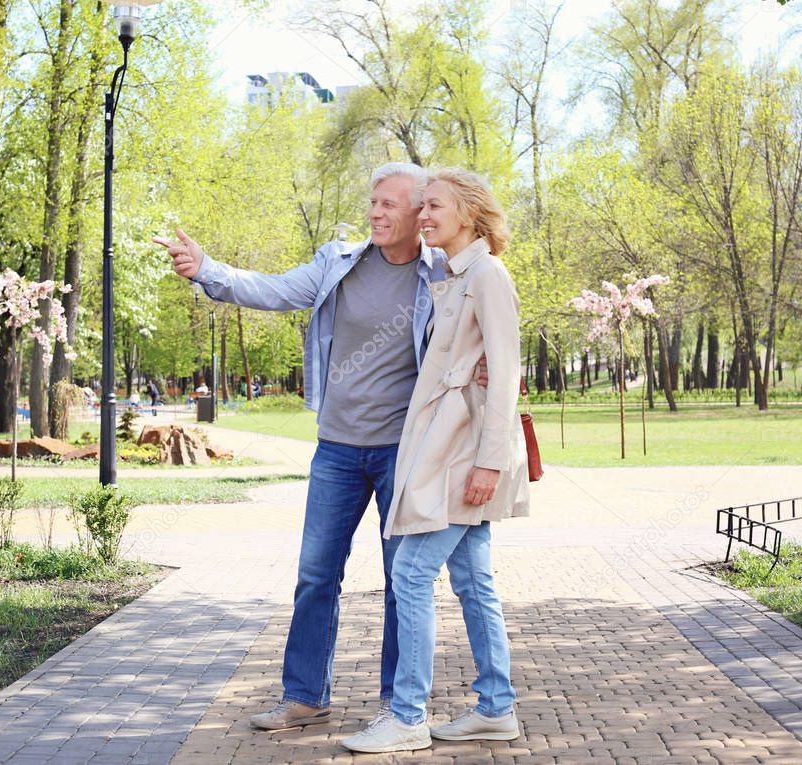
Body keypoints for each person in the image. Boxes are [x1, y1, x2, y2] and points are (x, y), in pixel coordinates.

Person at [153, 163, 488, 730]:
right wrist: (207, 269)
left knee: (398, 580)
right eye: (373, 202)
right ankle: (306, 695)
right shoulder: (340, 263)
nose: (376, 213)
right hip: (336, 448)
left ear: (418, 214)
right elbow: (274, 289)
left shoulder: (445, 274)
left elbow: (475, 335)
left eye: (390, 205)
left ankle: (395, 705)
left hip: (403, 453)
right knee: (315, 573)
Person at [342, 168, 530, 754]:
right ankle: (496, 708)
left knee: (411, 572)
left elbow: (504, 377)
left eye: (434, 207)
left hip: (464, 456)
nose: (423, 217)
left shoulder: (488, 276)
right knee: (473, 581)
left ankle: (407, 715)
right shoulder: (454, 276)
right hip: (448, 449)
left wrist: (490, 463)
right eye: (420, 207)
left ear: (468, 213)